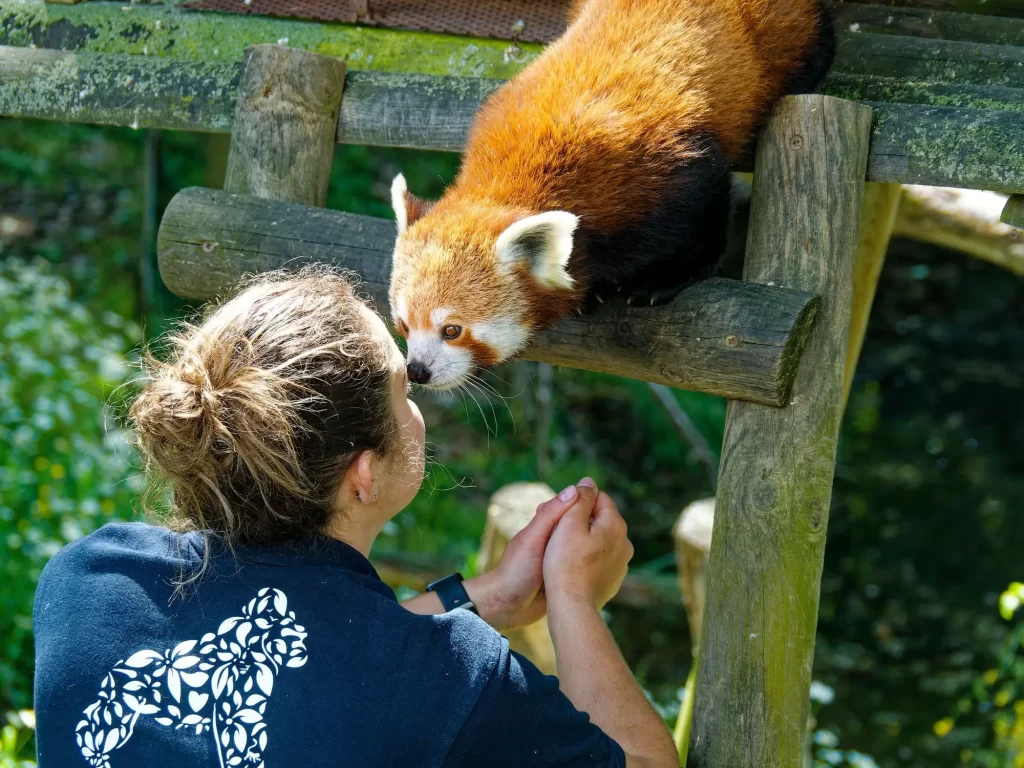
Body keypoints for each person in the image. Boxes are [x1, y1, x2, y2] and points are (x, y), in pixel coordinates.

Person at [33, 267, 679, 768]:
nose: (419, 400)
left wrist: (482, 598)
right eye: (405, 390)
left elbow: (318, 673)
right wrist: (573, 597)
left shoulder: (86, 581)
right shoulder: (455, 683)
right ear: (364, 474)